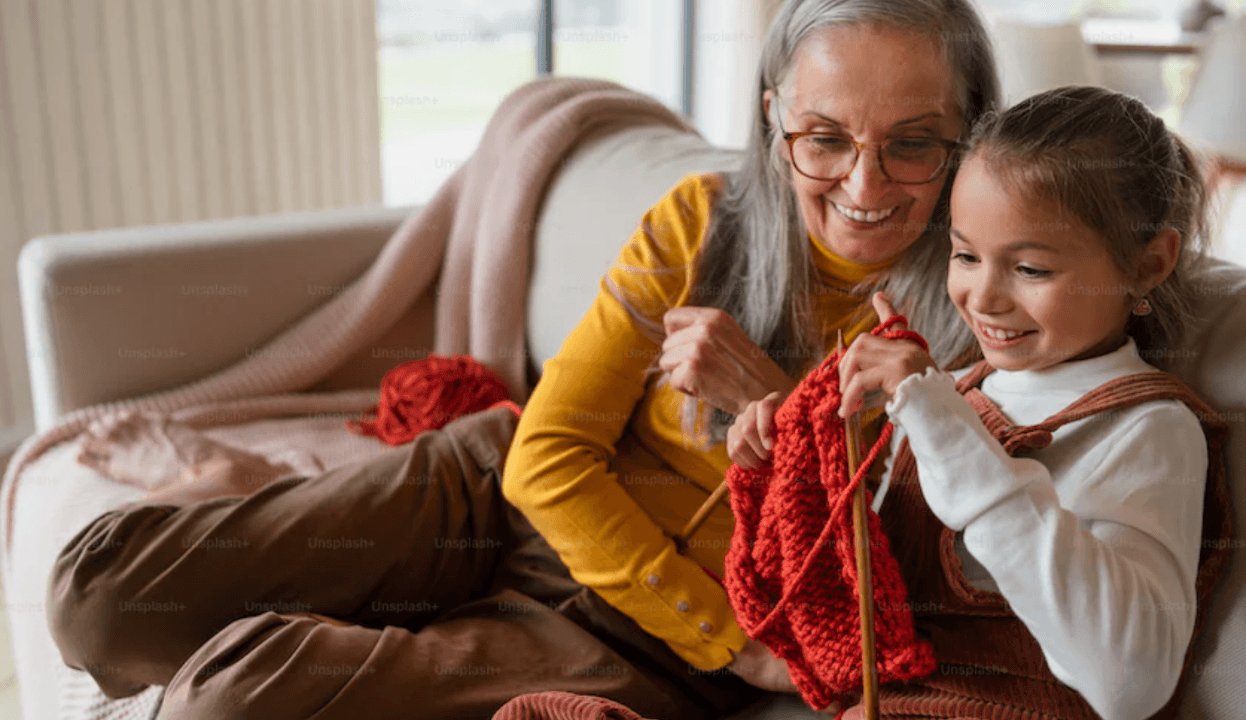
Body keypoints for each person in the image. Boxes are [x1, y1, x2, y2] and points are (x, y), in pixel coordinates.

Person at [45, 1, 1000, 718]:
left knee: (235, 701)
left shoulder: (983, 317)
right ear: (772, 117)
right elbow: (545, 456)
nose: (864, 183)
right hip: (496, 495)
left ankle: (324, 617)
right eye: (823, 138)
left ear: (968, 135)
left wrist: (778, 415)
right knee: (97, 601)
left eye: (913, 144)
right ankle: (250, 521)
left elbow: (896, 577)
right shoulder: (699, 220)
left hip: (638, 647)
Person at [730, 86, 1227, 720]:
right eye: (965, 255)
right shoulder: (954, 392)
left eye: (1031, 270)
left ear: (1149, 264)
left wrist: (946, 430)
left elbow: (1132, 683)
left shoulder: (1149, 429)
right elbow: (871, 604)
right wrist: (787, 473)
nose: (983, 298)